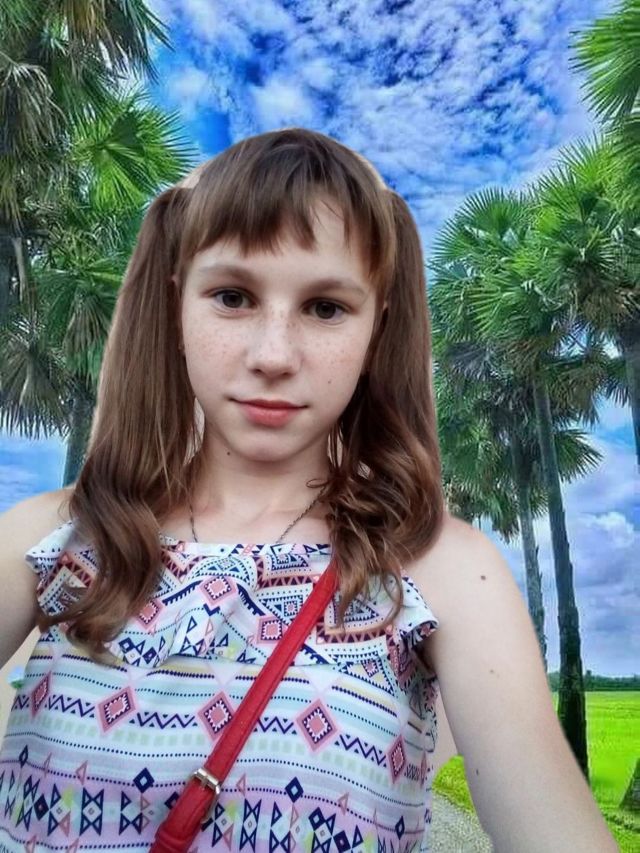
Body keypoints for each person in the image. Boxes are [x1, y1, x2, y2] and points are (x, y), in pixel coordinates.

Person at [0, 128, 618, 853]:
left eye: (325, 307)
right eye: (232, 296)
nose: (274, 355)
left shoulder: (442, 570)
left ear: (377, 327)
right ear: (177, 306)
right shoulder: (54, 538)